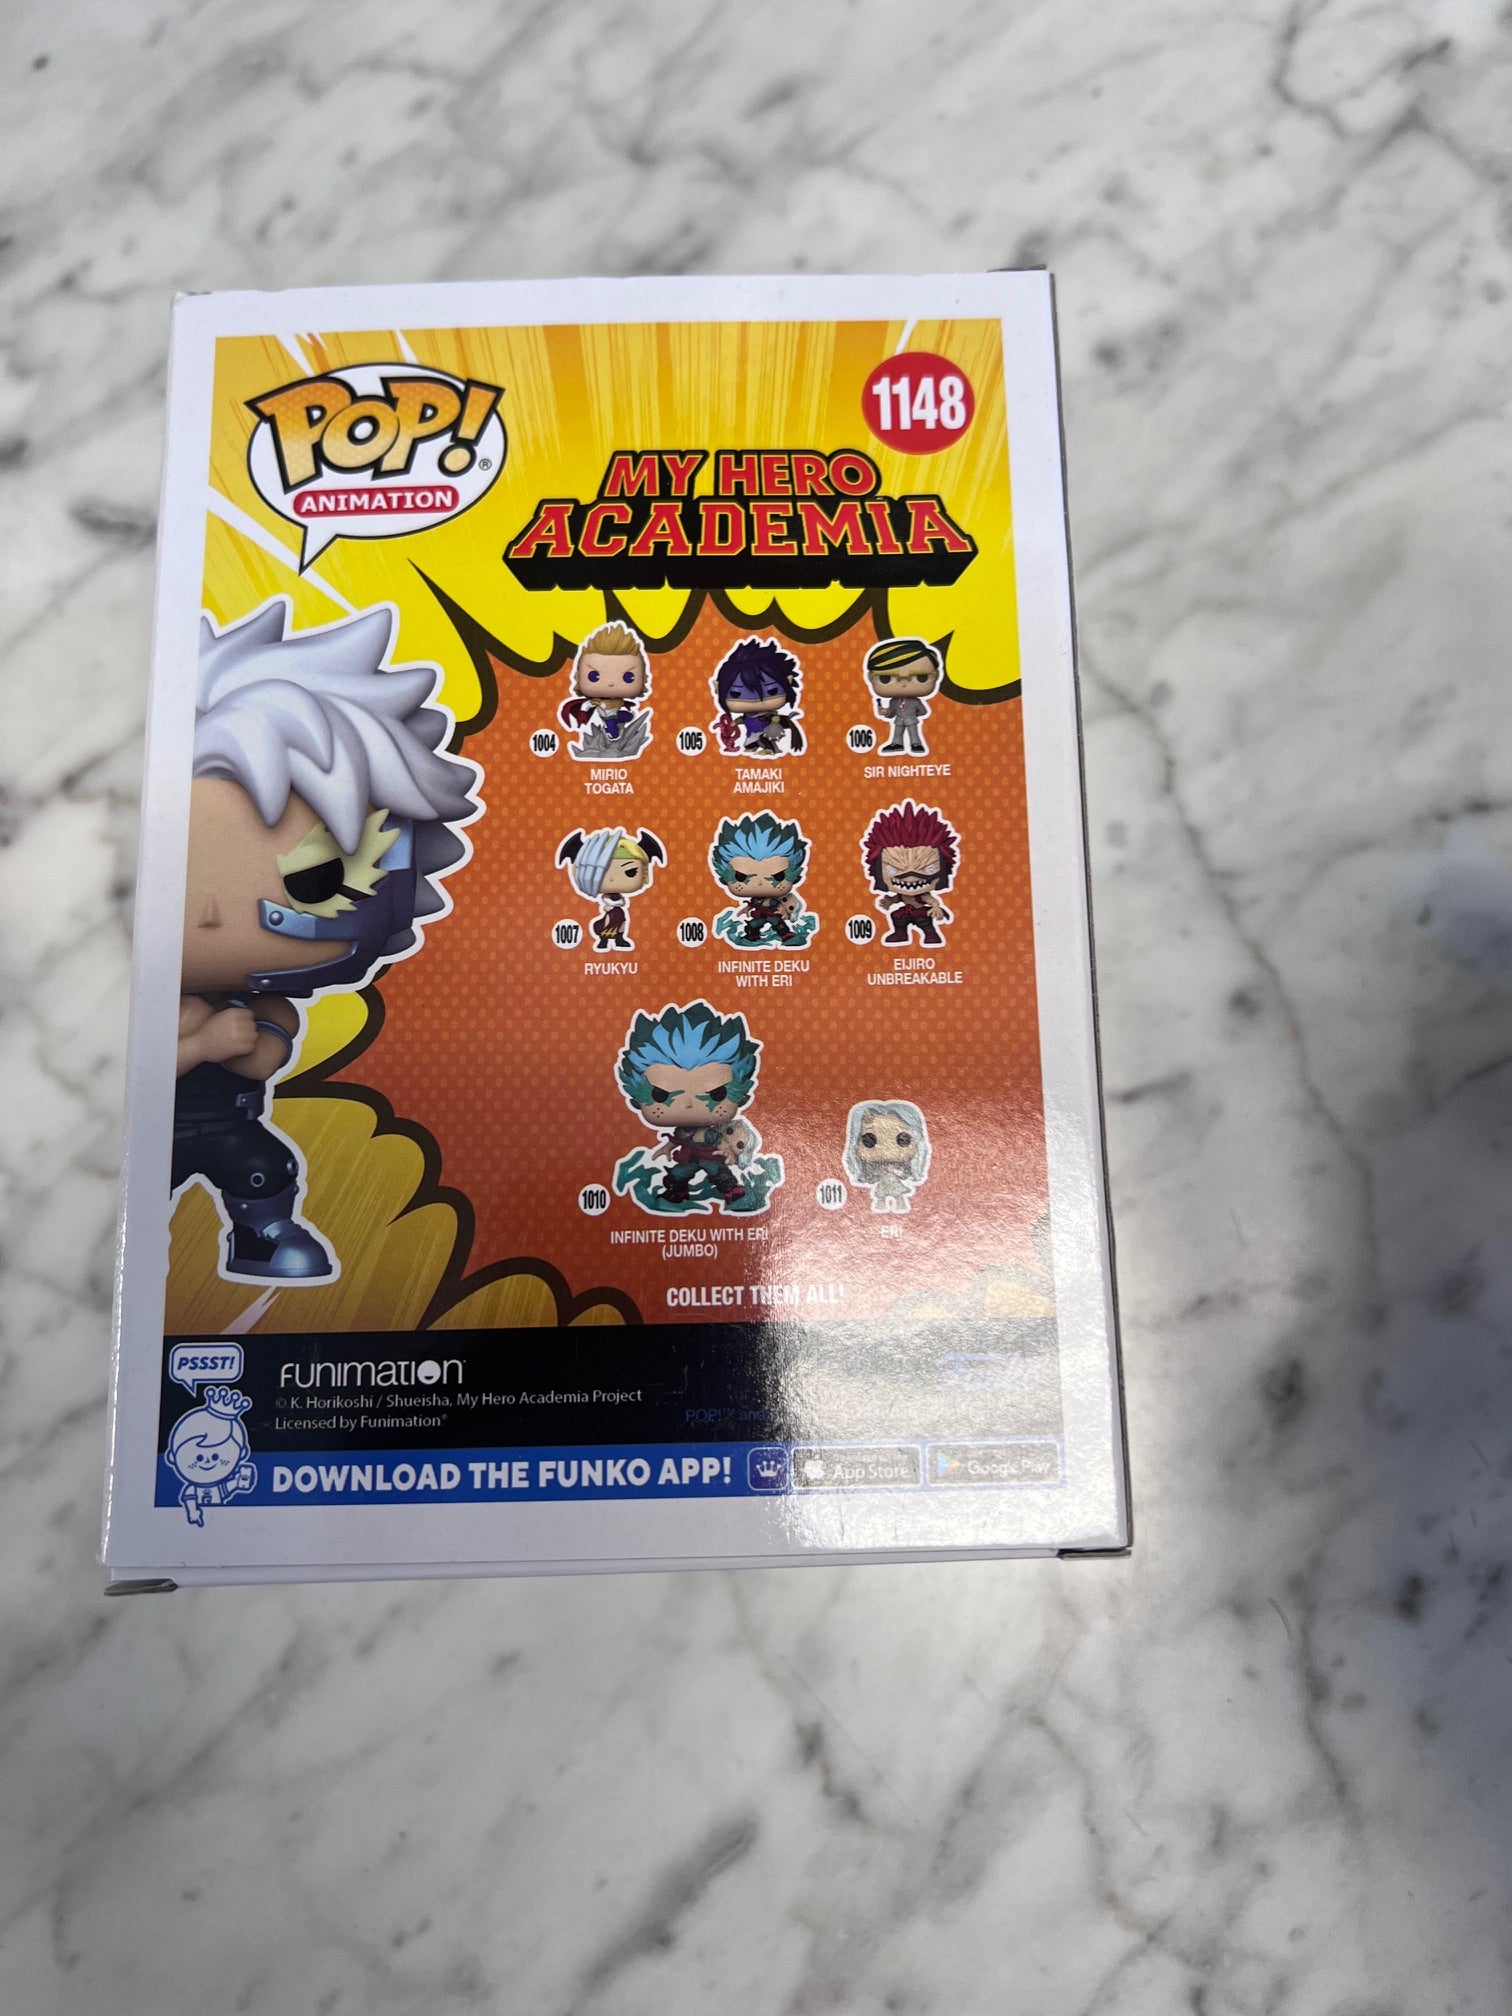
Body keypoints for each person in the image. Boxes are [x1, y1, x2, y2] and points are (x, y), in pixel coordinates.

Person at [177, 598, 479, 1282]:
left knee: (266, 1167)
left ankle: (262, 1235)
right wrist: (201, 1044)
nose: (214, 914)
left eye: (314, 878)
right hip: (144, 1136)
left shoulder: (261, 999)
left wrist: (258, 1041)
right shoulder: (129, 1000)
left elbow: (261, 1063)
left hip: (229, 1125)